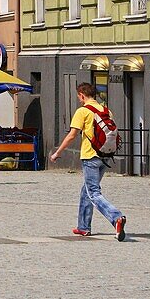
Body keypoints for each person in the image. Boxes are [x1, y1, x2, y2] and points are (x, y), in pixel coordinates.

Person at [51, 82, 127, 241]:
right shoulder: (106, 110)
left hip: (90, 156)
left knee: (93, 193)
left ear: (82, 95)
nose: (79, 99)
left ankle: (116, 217)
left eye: (79, 96)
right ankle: (83, 227)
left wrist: (57, 153)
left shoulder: (83, 111)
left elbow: (72, 135)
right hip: (105, 155)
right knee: (86, 190)